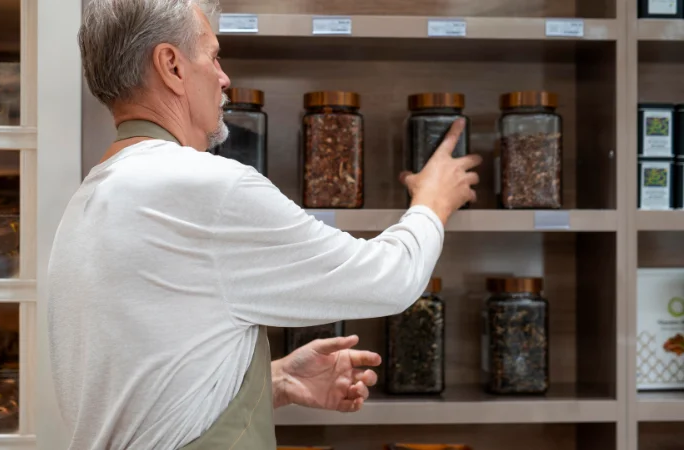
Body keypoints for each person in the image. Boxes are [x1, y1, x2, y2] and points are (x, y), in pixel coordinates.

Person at [46, 0, 482, 449]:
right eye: (213, 56)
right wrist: (433, 200)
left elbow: (142, 392)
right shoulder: (202, 187)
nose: (224, 77)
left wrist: (278, 381)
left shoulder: (89, 201)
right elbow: (391, 279)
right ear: (171, 65)